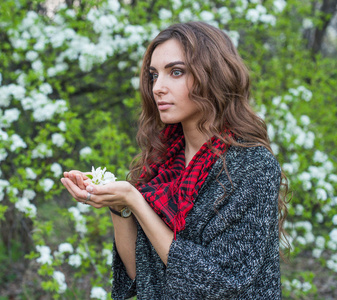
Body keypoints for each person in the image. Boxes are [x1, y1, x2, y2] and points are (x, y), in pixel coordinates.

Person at [60, 21, 289, 299]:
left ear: (213, 76)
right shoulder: (163, 163)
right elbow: (143, 277)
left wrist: (136, 202)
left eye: (176, 72)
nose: (158, 87)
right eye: (154, 75)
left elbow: (223, 287)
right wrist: (120, 207)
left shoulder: (252, 166)